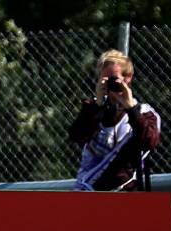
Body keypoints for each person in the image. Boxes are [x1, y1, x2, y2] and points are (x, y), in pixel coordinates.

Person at [68, 49, 161, 191]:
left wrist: (131, 109)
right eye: (104, 79)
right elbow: (76, 136)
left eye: (114, 79)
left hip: (126, 190)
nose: (110, 84)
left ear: (128, 78)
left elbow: (149, 142)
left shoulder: (145, 113)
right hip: (88, 189)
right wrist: (97, 105)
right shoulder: (93, 109)